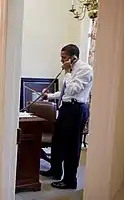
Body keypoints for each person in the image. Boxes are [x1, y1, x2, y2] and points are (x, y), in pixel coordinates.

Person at [41, 44, 93, 189]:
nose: (61, 61)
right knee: (57, 141)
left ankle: (70, 180)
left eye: (63, 58)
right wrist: (49, 96)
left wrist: (68, 72)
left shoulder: (85, 70)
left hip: (76, 110)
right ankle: (55, 171)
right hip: (66, 108)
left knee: (71, 147)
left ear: (73, 57)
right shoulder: (69, 72)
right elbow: (65, 93)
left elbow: (74, 89)